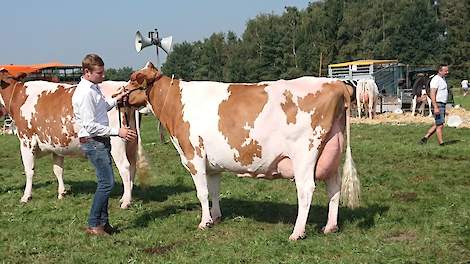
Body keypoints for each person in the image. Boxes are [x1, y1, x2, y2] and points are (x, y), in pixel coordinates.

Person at [72, 54, 137, 236]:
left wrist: (117, 98)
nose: (103, 75)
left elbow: (102, 108)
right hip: (93, 141)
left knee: (105, 182)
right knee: (106, 183)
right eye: (99, 73)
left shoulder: (93, 88)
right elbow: (90, 125)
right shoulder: (85, 93)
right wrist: (119, 132)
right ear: (87, 72)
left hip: (99, 141)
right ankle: (94, 224)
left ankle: (103, 223)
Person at [419, 64, 449, 145]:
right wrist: (435, 106)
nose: (447, 72)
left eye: (447, 70)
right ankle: (441, 143)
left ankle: (425, 138)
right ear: (440, 71)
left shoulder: (443, 79)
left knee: (438, 123)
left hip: (442, 104)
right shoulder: (436, 80)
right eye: (445, 71)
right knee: (440, 125)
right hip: (438, 104)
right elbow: (432, 93)